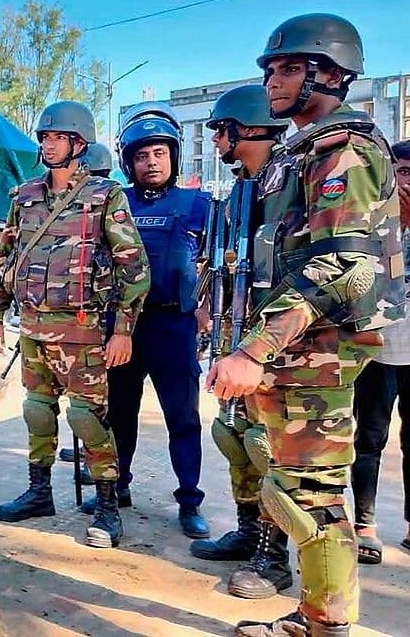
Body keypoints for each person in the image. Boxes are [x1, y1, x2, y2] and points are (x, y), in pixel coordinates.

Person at [211, 14, 406, 637]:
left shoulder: (345, 151)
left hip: (316, 352)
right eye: (270, 68)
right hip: (298, 351)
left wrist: (254, 348)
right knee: (295, 490)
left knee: (309, 500)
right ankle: (317, 616)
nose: (272, 79)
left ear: (330, 74)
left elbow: (343, 263)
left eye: (289, 67)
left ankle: (327, 627)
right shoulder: (303, 154)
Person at [0, 100, 150, 550]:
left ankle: (107, 506)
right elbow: (4, 258)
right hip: (34, 325)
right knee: (37, 410)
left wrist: (123, 330)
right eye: (44, 137)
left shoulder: (104, 196)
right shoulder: (25, 196)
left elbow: (133, 266)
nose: (48, 144)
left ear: (79, 143)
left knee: (87, 417)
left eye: (57, 137)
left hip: (84, 328)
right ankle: (39, 492)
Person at [77, 104, 212, 540]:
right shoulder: (113, 203)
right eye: (141, 156)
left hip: (175, 328)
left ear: (172, 156)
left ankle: (190, 500)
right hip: (123, 328)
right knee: (118, 415)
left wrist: (210, 310)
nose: (150, 162)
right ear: (127, 162)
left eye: (158, 153)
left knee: (183, 418)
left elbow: (220, 264)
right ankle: (116, 490)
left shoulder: (199, 205)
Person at [190, 85, 292, 592]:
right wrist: (210, 309)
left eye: (219, 129)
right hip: (238, 335)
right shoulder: (241, 191)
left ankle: (274, 556)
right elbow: (221, 262)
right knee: (233, 437)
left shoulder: (289, 186)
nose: (214, 141)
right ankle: (250, 532)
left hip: (278, 347)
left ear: (247, 128)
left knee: (265, 446)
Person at [349, 138, 410, 565]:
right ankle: (365, 524)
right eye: (402, 172)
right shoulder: (371, 223)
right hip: (377, 345)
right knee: (370, 436)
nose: (407, 183)